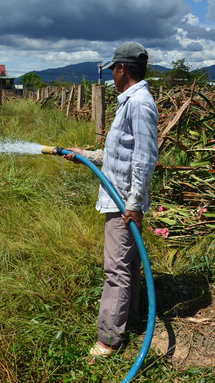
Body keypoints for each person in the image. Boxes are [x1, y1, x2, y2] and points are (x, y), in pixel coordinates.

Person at [63, 41, 159, 361]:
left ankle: (108, 340)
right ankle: (129, 318)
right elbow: (119, 155)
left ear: (121, 69)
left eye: (113, 69)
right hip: (122, 198)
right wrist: (85, 156)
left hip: (123, 204)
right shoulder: (129, 101)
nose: (112, 75)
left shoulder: (139, 103)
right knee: (129, 264)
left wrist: (132, 203)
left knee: (116, 269)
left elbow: (145, 158)